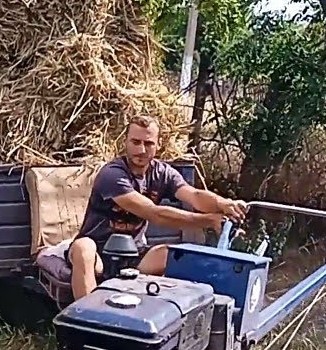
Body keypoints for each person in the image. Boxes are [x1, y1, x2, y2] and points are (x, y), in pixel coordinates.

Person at [68, 116, 248, 299]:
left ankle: (176, 315)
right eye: (135, 142)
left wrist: (223, 203)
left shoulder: (162, 173)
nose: (141, 149)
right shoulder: (112, 174)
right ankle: (86, 319)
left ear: (158, 144)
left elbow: (194, 195)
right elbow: (154, 214)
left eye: (148, 143)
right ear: (126, 142)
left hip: (135, 253)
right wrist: (207, 221)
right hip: (98, 252)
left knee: (177, 255)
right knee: (83, 248)